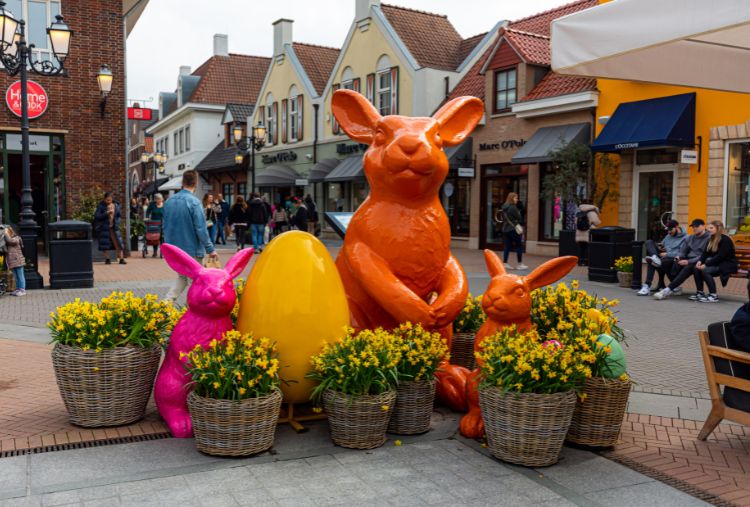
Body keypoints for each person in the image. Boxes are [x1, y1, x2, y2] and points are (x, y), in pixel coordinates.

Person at [162, 170, 218, 301]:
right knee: (196, 282)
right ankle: (192, 312)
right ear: (196, 183)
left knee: (182, 277)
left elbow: (165, 226)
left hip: (175, 250)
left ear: (182, 182)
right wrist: (210, 249)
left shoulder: (169, 202)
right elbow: (201, 229)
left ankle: (165, 304)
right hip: (191, 249)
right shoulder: (194, 202)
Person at [654, 218, 710, 300]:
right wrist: (678, 257)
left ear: (703, 226)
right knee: (665, 262)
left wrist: (688, 261)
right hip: (688, 260)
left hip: (701, 261)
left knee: (689, 267)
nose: (694, 228)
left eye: (696, 226)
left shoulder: (709, 238)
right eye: (693, 226)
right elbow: (683, 251)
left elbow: (704, 255)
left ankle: (667, 290)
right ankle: (674, 288)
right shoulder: (691, 237)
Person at [638, 219, 686, 295]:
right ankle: (655, 257)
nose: (669, 232)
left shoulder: (686, 238)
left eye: (671, 230)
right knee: (649, 242)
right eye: (668, 230)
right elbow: (662, 244)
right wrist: (660, 247)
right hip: (662, 256)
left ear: (677, 227)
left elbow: (682, 253)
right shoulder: (668, 236)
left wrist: (667, 254)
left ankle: (647, 286)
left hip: (672, 259)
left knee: (652, 262)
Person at [693, 220, 737, 303]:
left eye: (711, 228)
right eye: (708, 228)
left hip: (727, 264)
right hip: (717, 263)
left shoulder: (725, 240)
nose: (708, 229)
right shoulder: (711, 238)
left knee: (705, 270)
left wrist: (706, 264)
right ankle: (700, 293)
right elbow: (705, 253)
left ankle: (713, 295)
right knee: (696, 268)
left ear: (718, 228)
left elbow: (721, 256)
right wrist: (700, 261)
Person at [94, 192, 126, 265]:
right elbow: (97, 216)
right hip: (104, 227)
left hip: (114, 227)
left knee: (118, 243)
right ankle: (107, 259)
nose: (108, 201)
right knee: (105, 244)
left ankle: (121, 259)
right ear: (104, 199)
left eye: (110, 199)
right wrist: (106, 213)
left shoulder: (116, 206)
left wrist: (118, 222)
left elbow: (119, 216)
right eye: (107, 200)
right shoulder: (101, 206)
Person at [500, 192, 527, 270]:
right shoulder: (512, 207)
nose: (517, 200)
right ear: (512, 198)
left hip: (506, 229)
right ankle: (519, 264)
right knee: (519, 246)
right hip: (513, 229)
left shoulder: (504, 207)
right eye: (515, 198)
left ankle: (505, 263)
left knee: (507, 246)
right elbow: (519, 218)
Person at [575, 201, 601, 267]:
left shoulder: (579, 212)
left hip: (579, 233)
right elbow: (596, 222)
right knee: (587, 248)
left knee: (581, 248)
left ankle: (580, 262)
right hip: (588, 232)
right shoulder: (592, 212)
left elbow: (575, 222)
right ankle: (587, 262)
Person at [4, 226, 25, 296]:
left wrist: (5, 233)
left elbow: (10, 241)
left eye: (6, 231)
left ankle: (22, 290)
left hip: (18, 260)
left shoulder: (16, 239)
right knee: (16, 276)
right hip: (12, 261)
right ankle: (18, 289)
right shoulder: (7, 240)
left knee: (20, 276)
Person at [146, 193, 165, 258]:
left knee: (162, 238)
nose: (159, 201)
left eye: (160, 199)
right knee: (155, 237)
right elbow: (148, 211)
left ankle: (162, 252)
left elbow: (167, 213)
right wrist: (147, 217)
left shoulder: (164, 205)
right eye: (158, 199)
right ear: (155, 200)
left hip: (162, 224)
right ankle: (155, 252)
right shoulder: (152, 205)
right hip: (154, 223)